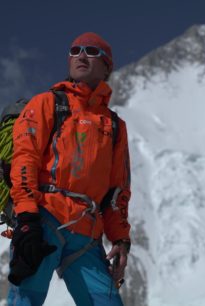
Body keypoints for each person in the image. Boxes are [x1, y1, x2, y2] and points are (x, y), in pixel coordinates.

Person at [7, 32, 132, 306]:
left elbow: (117, 191)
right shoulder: (47, 103)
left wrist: (121, 239)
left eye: (91, 51)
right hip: (43, 219)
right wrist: (27, 220)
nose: (81, 55)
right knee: (25, 302)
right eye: (75, 50)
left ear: (107, 66)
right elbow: (24, 158)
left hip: (87, 234)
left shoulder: (113, 125)